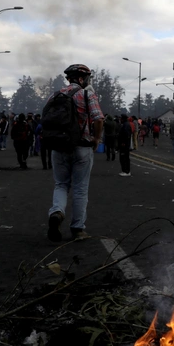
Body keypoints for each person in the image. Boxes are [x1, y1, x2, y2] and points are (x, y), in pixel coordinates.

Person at [44, 64, 104, 242]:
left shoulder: (55, 95)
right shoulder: (86, 94)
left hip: (59, 147)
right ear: (81, 78)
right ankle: (78, 229)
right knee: (80, 189)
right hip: (81, 147)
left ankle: (56, 212)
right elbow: (98, 119)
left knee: (61, 184)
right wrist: (96, 139)